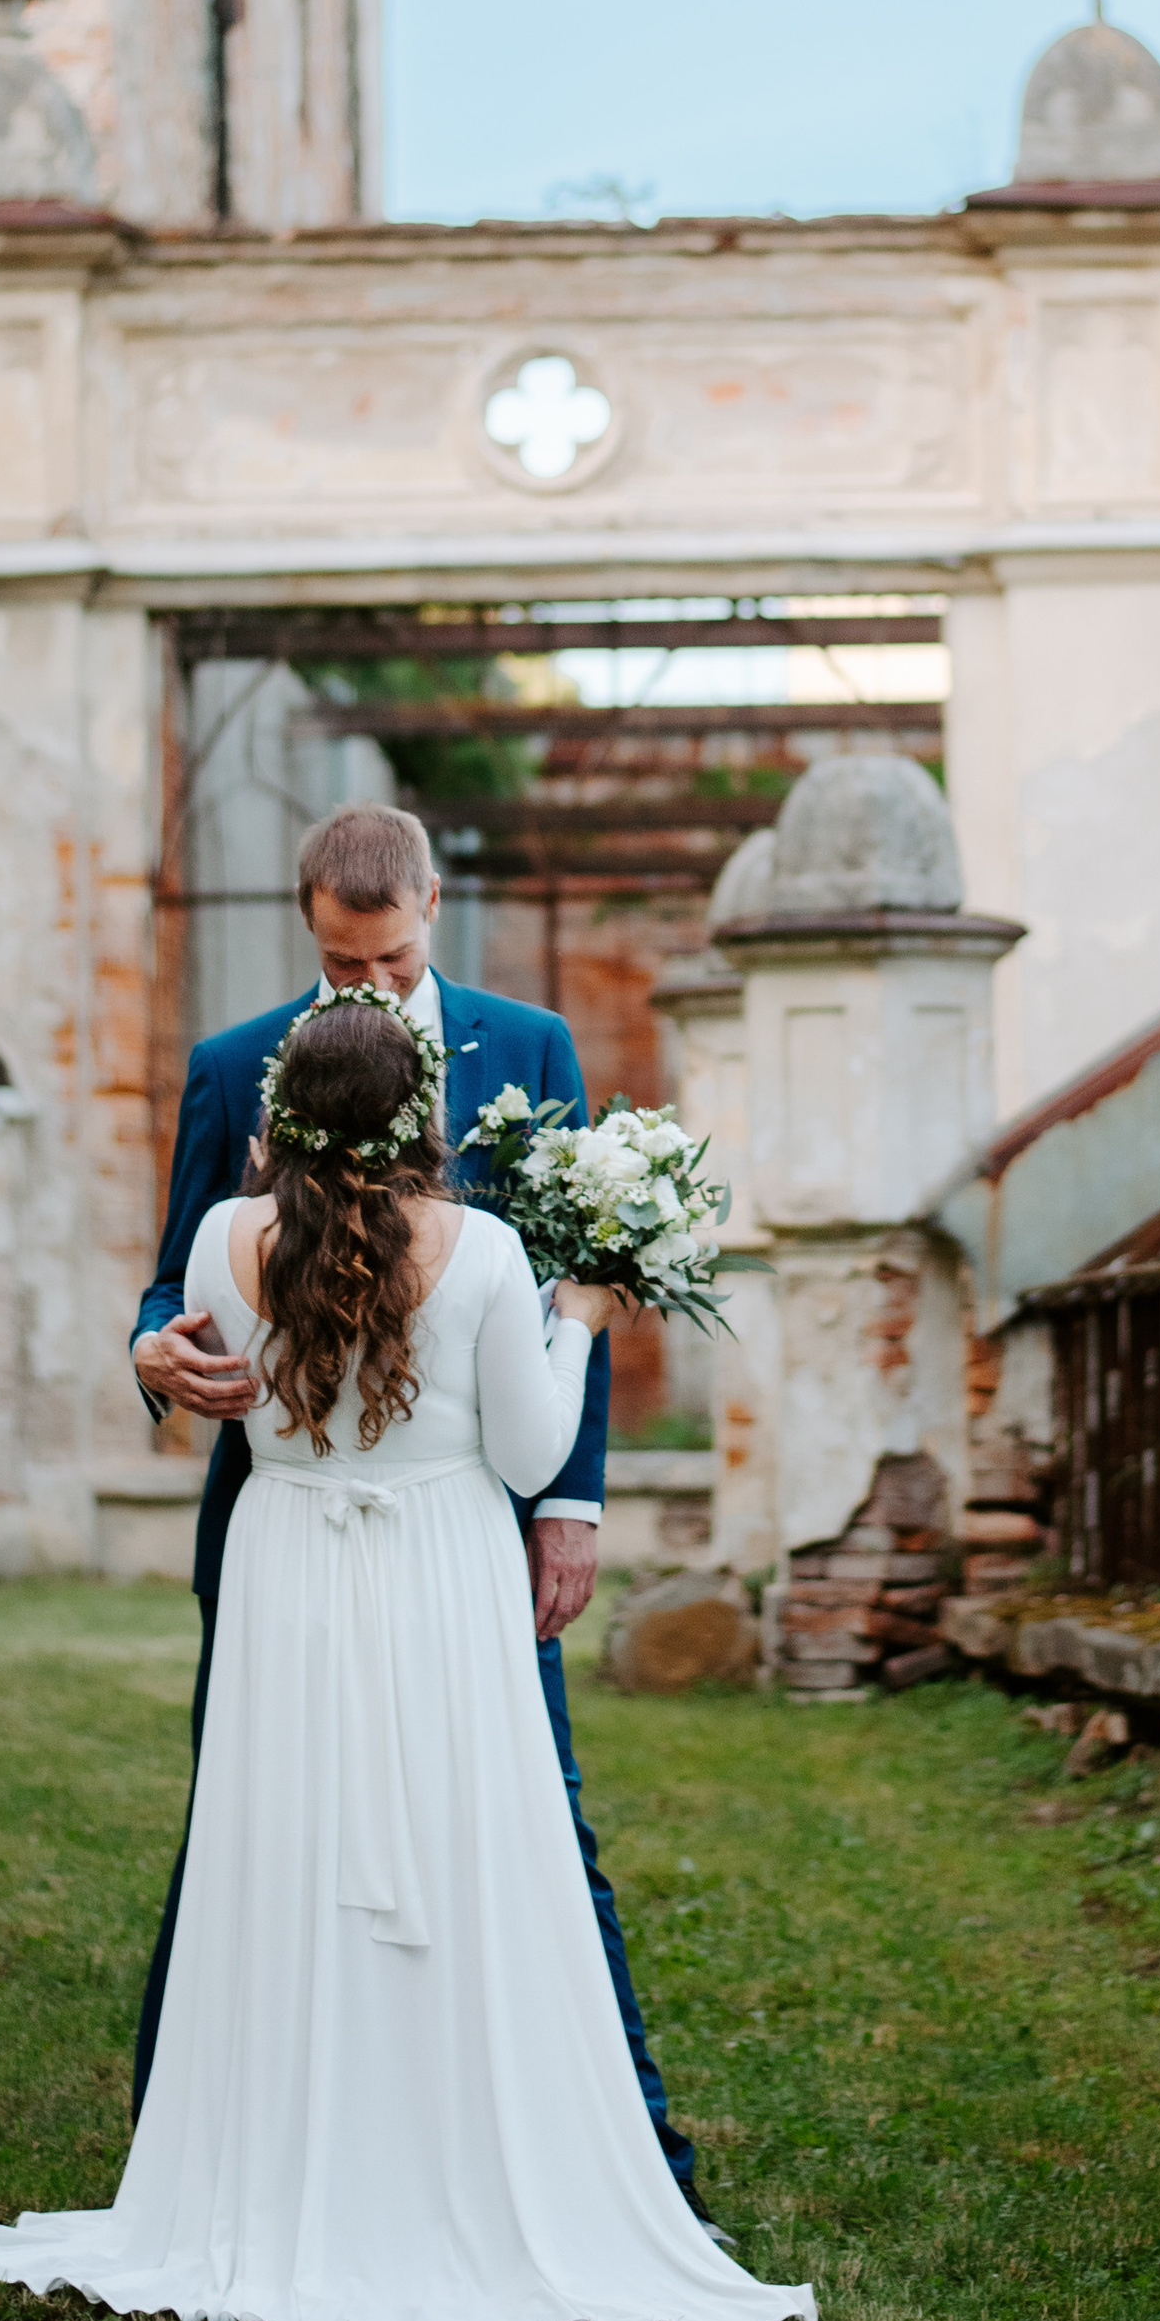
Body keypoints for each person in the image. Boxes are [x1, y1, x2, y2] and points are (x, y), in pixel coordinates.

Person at [0, 991, 814, 2321]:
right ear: (424, 1116)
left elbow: (222, 1387)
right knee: (456, 1850)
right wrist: (583, 1315)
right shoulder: (478, 1249)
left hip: (288, 1566)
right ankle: (451, 2163)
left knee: (289, 1854)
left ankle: (284, 2168)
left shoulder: (219, 1241)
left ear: (274, 1115)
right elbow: (533, 1457)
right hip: (439, 1578)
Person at [127, 804, 701, 2207]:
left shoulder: (533, 1046)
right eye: (338, 962)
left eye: (384, 962)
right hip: (287, 1519)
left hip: (474, 1533)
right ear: (308, 927)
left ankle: (632, 2147)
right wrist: (150, 1350)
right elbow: (175, 1279)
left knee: (529, 1814)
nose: (364, 987)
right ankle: (190, 2141)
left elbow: (563, 1267)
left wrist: (569, 1507)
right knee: (251, 1820)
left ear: (431, 908)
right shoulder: (230, 1066)